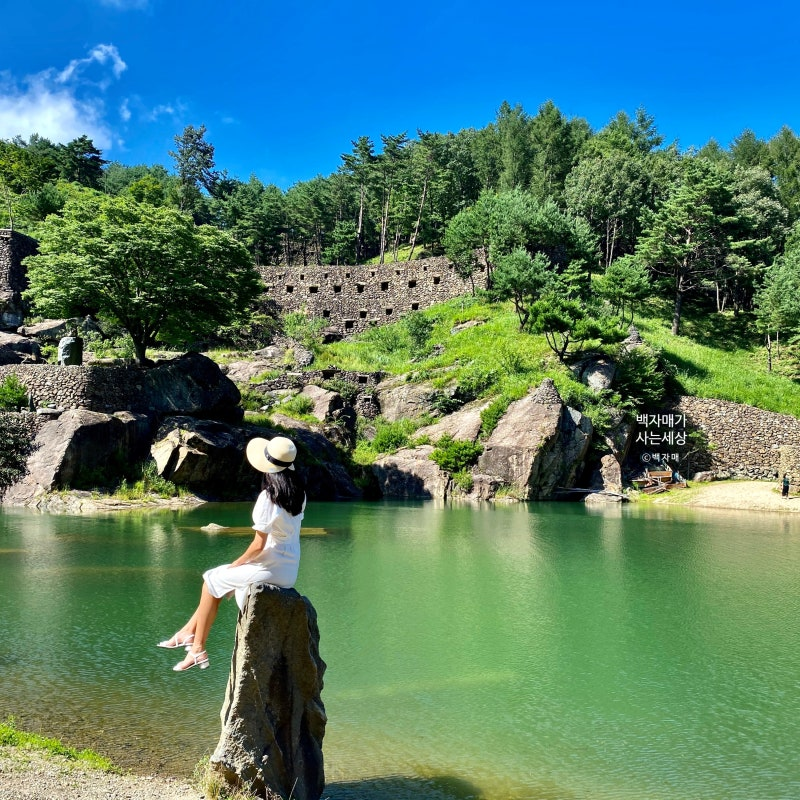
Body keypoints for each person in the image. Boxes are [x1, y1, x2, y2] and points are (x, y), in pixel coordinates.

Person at [158, 436, 306, 672]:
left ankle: (197, 650)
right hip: (289, 570)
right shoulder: (299, 494)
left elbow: (259, 545)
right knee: (217, 580)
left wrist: (236, 564)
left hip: (270, 568)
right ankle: (187, 632)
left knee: (210, 581)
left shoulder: (269, 498)